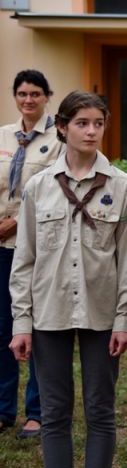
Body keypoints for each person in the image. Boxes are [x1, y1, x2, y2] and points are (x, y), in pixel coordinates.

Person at [8, 90, 127, 468]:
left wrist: (125, 318)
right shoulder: (38, 187)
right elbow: (24, 259)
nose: (91, 131)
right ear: (63, 128)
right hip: (49, 312)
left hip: (103, 314)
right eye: (82, 123)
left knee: (101, 411)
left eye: (98, 123)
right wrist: (21, 322)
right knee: (54, 413)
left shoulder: (123, 186)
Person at [0, 69, 62, 440]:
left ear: (46, 97)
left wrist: (16, 223)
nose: (28, 100)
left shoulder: (59, 139)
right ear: (15, 96)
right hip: (1, 248)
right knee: (2, 328)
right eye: (22, 94)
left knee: (38, 329)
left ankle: (37, 412)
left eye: (35, 94)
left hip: (37, 248)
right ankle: (3, 408)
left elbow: (56, 192)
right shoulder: (3, 136)